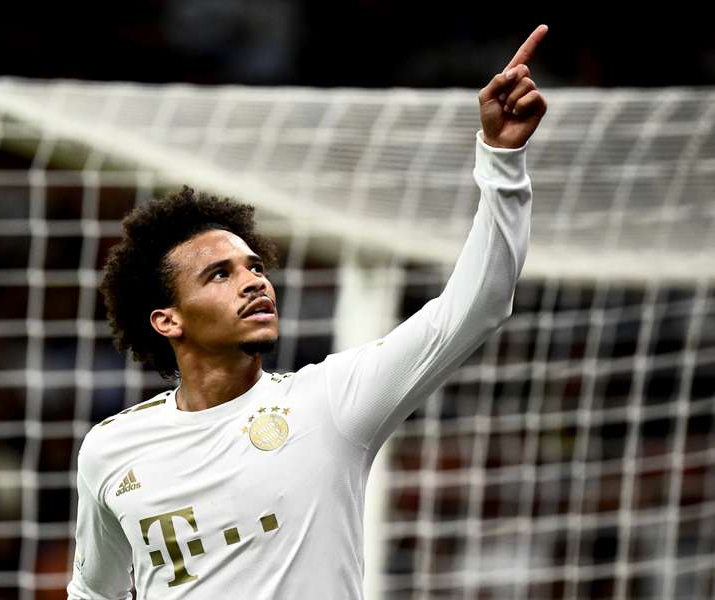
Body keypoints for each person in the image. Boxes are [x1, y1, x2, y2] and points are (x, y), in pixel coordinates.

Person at [67, 24, 549, 600]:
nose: (253, 283)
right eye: (220, 274)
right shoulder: (111, 449)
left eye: (255, 267)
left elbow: (477, 305)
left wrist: (502, 159)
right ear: (166, 319)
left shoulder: (329, 404)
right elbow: (92, 590)